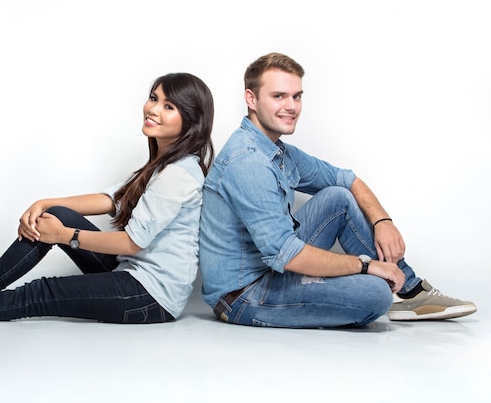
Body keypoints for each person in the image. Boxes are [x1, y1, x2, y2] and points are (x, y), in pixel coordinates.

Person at [0, 72, 215, 324]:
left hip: (151, 296)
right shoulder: (163, 163)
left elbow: (132, 243)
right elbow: (116, 199)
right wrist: (46, 204)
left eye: (168, 106)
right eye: (153, 98)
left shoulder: (179, 174)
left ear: (190, 122)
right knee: (60, 213)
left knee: (40, 293)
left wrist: (66, 237)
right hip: (135, 273)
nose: (153, 109)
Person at [198, 52, 476, 328]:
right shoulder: (247, 160)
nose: (291, 106)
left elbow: (346, 179)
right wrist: (367, 265)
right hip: (244, 296)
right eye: (279, 96)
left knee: (338, 198)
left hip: (272, 270)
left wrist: (383, 220)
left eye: (297, 96)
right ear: (251, 99)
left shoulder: (275, 151)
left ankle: (411, 292)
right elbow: (288, 253)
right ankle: (395, 290)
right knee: (377, 295)